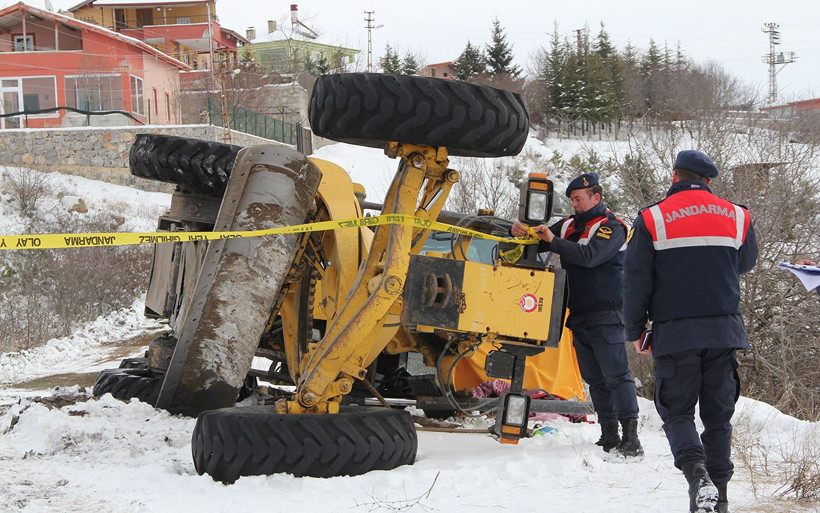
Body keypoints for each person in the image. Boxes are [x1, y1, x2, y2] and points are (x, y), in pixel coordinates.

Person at [624, 150, 758, 513]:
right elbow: (744, 263)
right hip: (724, 331)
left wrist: (635, 330)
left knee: (678, 412)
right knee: (718, 418)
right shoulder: (738, 215)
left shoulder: (651, 218)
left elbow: (636, 280)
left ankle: (697, 475)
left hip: (675, 333)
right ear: (709, 181)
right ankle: (721, 499)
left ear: (674, 177)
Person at [512, 172, 643, 458]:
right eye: (572, 200)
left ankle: (631, 437)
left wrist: (551, 239)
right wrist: (521, 231)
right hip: (580, 312)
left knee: (617, 376)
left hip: (607, 311)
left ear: (596, 197)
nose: (575, 205)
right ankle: (609, 433)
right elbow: (542, 239)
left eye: (579, 199)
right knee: (594, 378)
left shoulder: (612, 226)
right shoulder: (571, 224)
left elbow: (589, 257)